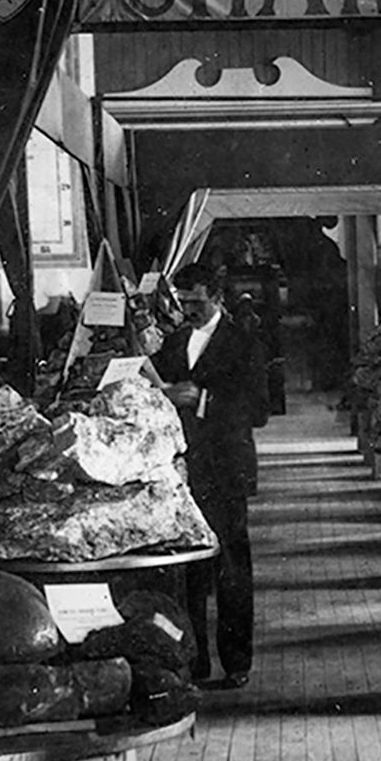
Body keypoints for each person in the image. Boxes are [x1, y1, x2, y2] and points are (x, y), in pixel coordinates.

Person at [154, 264, 268, 689]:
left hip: (226, 467)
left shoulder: (245, 343)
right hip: (183, 469)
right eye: (183, 303)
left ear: (218, 297)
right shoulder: (174, 340)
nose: (189, 311)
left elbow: (259, 408)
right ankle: (195, 662)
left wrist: (202, 398)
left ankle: (237, 663)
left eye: (197, 303)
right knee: (189, 572)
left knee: (232, 569)